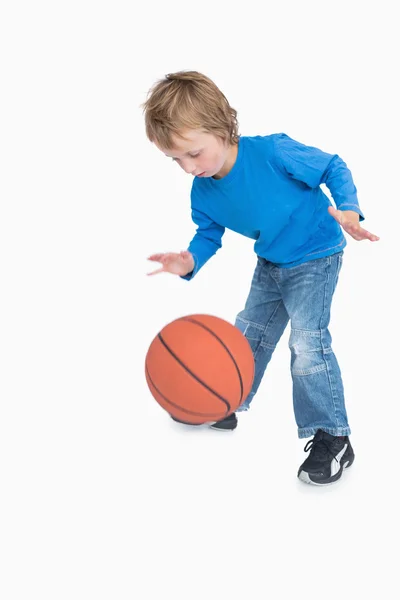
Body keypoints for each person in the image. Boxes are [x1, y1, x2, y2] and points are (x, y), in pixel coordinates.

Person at [141, 71, 379, 485]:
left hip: (316, 254)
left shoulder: (272, 152)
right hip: (272, 261)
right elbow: (208, 234)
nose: (186, 167)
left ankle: (333, 435)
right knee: (248, 333)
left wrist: (349, 210)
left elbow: (332, 166)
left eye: (193, 154)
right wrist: (189, 262)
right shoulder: (204, 192)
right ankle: (225, 398)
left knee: (307, 342)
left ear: (221, 128)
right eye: (175, 159)